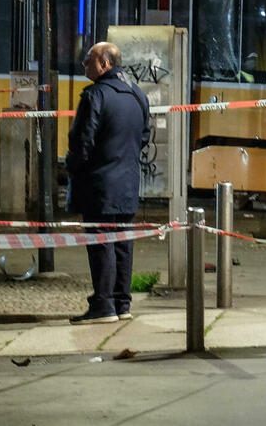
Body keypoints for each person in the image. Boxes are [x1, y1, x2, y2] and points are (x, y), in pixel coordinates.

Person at [66, 41, 151, 324]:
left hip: (100, 185)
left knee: (101, 243)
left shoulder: (95, 96)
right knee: (122, 243)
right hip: (128, 183)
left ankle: (103, 305)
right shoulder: (138, 96)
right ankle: (122, 302)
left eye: (88, 59)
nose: (84, 65)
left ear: (104, 63)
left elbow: (83, 143)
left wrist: (74, 168)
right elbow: (143, 138)